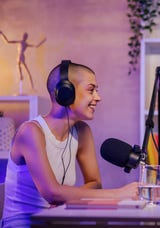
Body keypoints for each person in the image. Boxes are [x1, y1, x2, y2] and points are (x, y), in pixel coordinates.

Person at [1, 61, 139, 228]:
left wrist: (66, 196)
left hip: (59, 219)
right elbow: (52, 193)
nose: (98, 97)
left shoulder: (82, 132)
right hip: (24, 222)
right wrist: (118, 194)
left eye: (97, 90)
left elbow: (95, 183)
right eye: (91, 90)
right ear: (66, 93)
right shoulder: (30, 132)